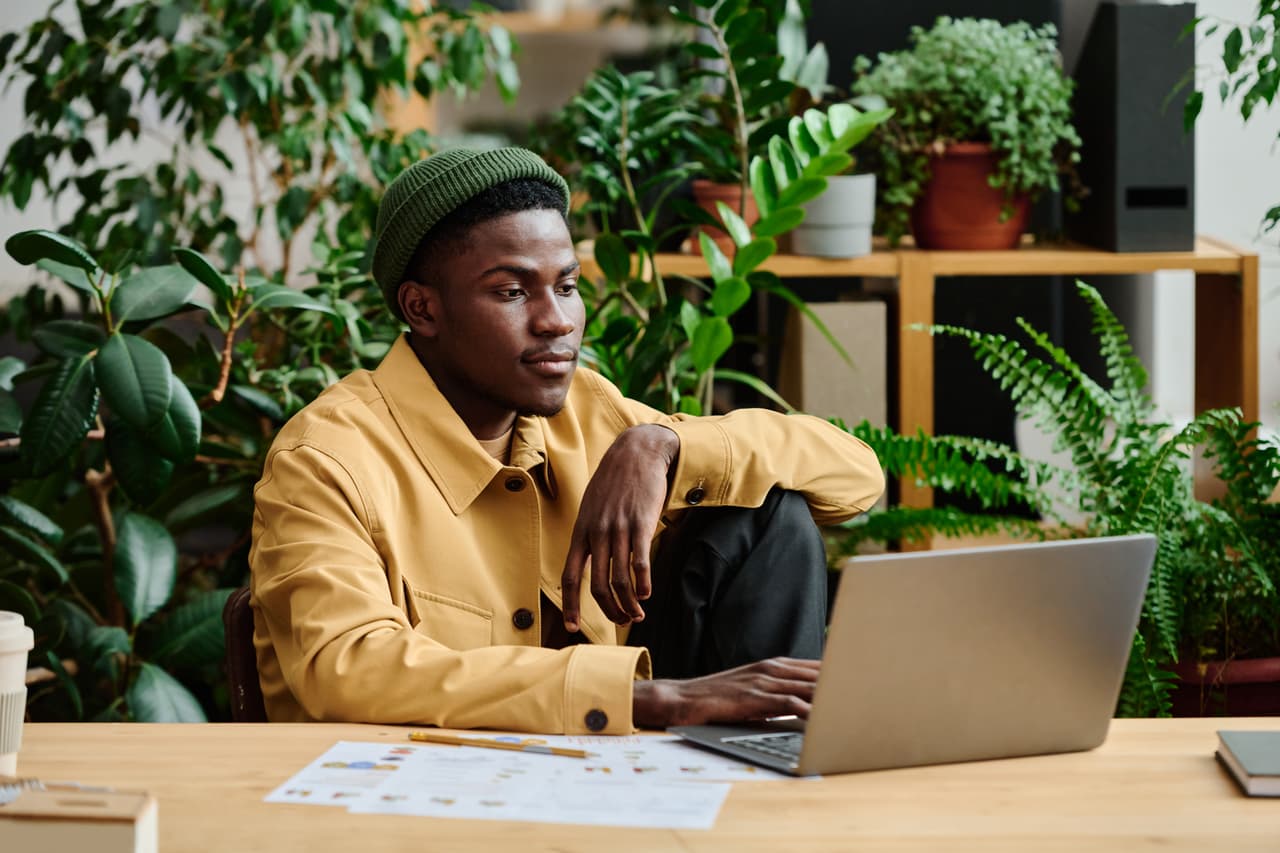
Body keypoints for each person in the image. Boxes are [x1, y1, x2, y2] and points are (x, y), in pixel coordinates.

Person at [249, 147, 884, 734]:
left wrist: (659, 445)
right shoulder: (325, 460)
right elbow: (349, 667)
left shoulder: (591, 412)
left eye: (569, 286)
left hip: (598, 787)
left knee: (769, 516)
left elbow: (856, 478)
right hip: (409, 799)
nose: (556, 320)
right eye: (512, 291)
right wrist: (651, 698)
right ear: (423, 309)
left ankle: (770, 767)